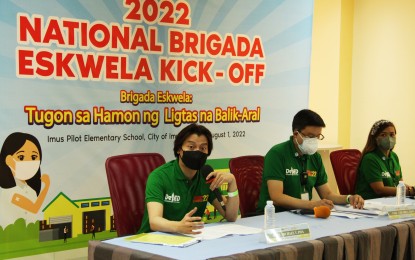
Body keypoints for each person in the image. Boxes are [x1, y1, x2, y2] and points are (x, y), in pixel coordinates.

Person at [138, 123, 239, 234]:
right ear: (179, 150)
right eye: (191, 147)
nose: (197, 151)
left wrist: (232, 183)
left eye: (203, 148)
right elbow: (154, 222)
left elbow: (230, 216)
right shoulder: (159, 176)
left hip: (189, 240)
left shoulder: (206, 176)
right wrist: (179, 227)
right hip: (152, 241)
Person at [257, 109, 364, 213]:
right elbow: (277, 197)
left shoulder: (315, 157)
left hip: (302, 214)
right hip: (275, 216)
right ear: (296, 134)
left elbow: (327, 194)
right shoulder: (277, 154)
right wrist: (311, 205)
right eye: (310, 136)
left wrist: (349, 198)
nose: (314, 141)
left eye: (318, 137)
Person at [0, 132, 51, 227]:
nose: (29, 162)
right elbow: (34, 208)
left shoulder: (31, 191)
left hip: (34, 235)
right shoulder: (10, 192)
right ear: (9, 160)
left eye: (34, 157)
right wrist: (46, 186)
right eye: (21, 157)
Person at [355, 120, 414, 199]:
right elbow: (379, 190)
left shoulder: (394, 156)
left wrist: (411, 188)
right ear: (375, 138)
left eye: (392, 134)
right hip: (370, 204)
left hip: (390, 201)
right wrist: (408, 192)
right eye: (383, 135)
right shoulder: (370, 158)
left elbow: (400, 184)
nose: (389, 138)